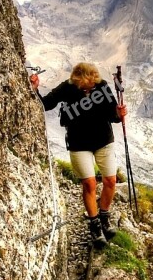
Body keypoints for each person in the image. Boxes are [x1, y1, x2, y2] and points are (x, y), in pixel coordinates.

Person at [30, 62, 127, 248]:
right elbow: (46, 104)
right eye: (87, 84)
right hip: (78, 142)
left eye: (92, 83)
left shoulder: (102, 86)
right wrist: (34, 89)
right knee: (89, 183)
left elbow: (112, 115)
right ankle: (95, 225)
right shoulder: (67, 88)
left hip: (104, 140)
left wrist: (120, 113)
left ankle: (104, 216)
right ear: (78, 80)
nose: (90, 87)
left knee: (110, 181)